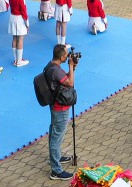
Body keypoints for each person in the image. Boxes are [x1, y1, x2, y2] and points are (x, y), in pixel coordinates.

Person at [44, 44, 77, 181]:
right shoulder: (55, 71)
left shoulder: (51, 66)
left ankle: (55, 158)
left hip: (55, 105)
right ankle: (56, 170)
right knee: (57, 137)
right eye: (66, 55)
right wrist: (70, 66)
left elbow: (64, 79)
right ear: (62, 57)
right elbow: (70, 83)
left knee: (54, 133)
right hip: (60, 108)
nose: (68, 56)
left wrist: (73, 67)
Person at [7, 0, 30, 67]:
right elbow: (24, 11)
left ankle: (16, 59)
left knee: (14, 39)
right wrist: (27, 23)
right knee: (20, 39)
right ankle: (19, 62)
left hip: (12, 17)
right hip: (20, 19)